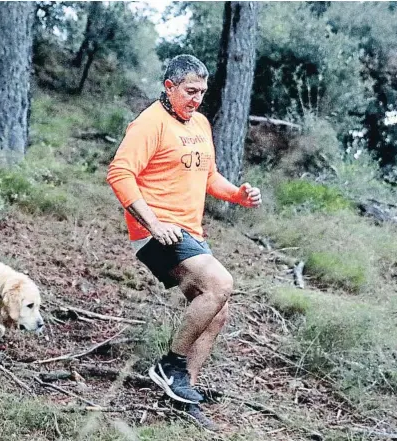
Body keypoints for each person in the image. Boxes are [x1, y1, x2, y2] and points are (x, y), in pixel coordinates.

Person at [106, 54, 262, 422]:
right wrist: (154, 224)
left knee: (218, 314)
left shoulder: (200, 123)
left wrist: (236, 195)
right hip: (156, 231)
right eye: (190, 91)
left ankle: (181, 395)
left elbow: (209, 177)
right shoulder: (150, 123)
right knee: (221, 283)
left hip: (189, 231)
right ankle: (170, 365)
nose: (196, 99)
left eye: (202, 92)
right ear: (169, 87)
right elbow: (119, 173)